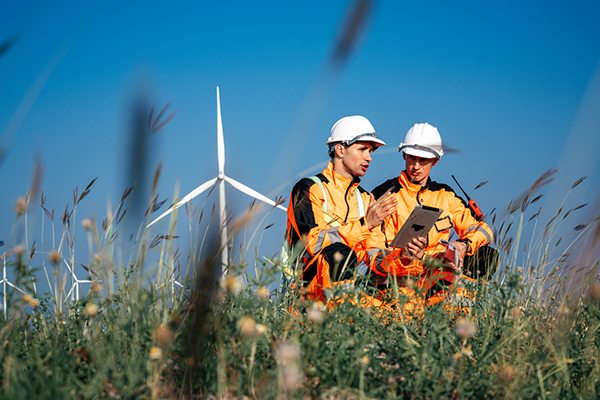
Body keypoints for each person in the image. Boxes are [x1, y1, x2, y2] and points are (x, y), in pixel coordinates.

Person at [283, 116, 426, 305]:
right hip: (307, 296)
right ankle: (342, 318)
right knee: (339, 253)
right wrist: (365, 224)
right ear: (340, 149)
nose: (369, 157)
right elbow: (312, 242)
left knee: (405, 297)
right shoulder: (309, 189)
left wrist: (404, 256)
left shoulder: (365, 199)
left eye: (371, 151)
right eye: (362, 149)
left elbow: (375, 256)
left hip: (346, 293)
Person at [371, 122, 495, 306]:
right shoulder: (385, 194)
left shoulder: (446, 196)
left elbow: (483, 230)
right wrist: (405, 257)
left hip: (435, 279)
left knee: (487, 255)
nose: (416, 166)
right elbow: (374, 254)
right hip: (395, 285)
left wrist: (463, 245)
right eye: (412, 158)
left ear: (435, 161)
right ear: (404, 154)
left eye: (424, 160)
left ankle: (465, 316)